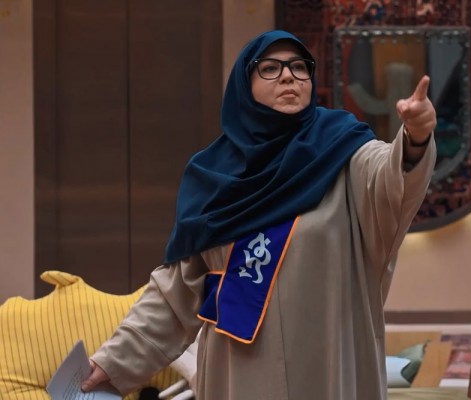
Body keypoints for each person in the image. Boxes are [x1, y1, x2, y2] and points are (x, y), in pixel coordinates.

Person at [81, 29, 436, 400]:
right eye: (270, 68)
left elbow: (392, 179)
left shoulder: (343, 150)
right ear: (244, 84)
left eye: (299, 67)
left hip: (325, 367)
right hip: (238, 375)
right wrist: (111, 364)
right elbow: (175, 296)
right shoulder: (214, 177)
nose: (288, 76)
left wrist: (416, 136)